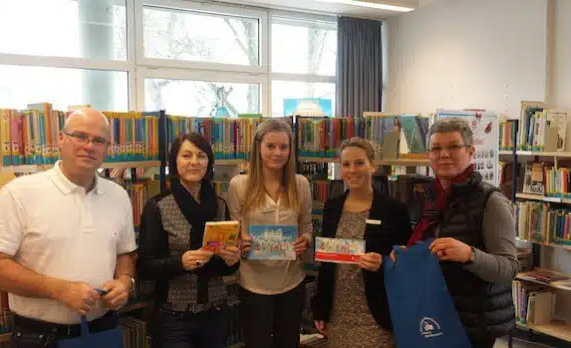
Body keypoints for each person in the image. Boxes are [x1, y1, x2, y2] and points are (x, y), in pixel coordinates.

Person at [0, 108, 137, 348]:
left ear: (107, 148)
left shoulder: (118, 196)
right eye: (80, 136)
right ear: (61, 140)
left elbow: (125, 252)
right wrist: (59, 290)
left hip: (105, 330)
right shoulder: (19, 193)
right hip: (41, 337)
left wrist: (125, 281)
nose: (89, 146)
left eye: (98, 140)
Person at [396, 117, 518, 348]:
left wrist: (469, 255)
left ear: (470, 151)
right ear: (429, 156)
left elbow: (509, 268)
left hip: (471, 325)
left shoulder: (491, 201)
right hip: (431, 315)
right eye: (436, 148)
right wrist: (407, 256)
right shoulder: (425, 198)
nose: (444, 154)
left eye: (453, 146)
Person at [137, 132, 241, 348]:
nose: (194, 162)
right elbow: (146, 266)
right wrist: (179, 263)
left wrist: (233, 260)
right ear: (175, 162)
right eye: (186, 155)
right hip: (173, 317)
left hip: (216, 311)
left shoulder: (220, 205)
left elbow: (225, 267)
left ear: (209, 163)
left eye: (201, 156)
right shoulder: (158, 207)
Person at [311, 137, 413, 348]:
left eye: (359, 163)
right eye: (346, 164)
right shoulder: (332, 206)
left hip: (376, 313)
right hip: (338, 312)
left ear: (373, 166)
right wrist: (320, 307)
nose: (352, 170)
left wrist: (384, 262)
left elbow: (408, 262)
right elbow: (326, 265)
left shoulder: (393, 209)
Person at [226, 118, 313, 348]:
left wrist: (305, 240)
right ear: (258, 148)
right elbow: (233, 232)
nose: (278, 153)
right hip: (253, 284)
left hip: (292, 282)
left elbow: (306, 227)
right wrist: (239, 243)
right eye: (271, 146)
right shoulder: (239, 185)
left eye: (284, 147)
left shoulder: (301, 184)